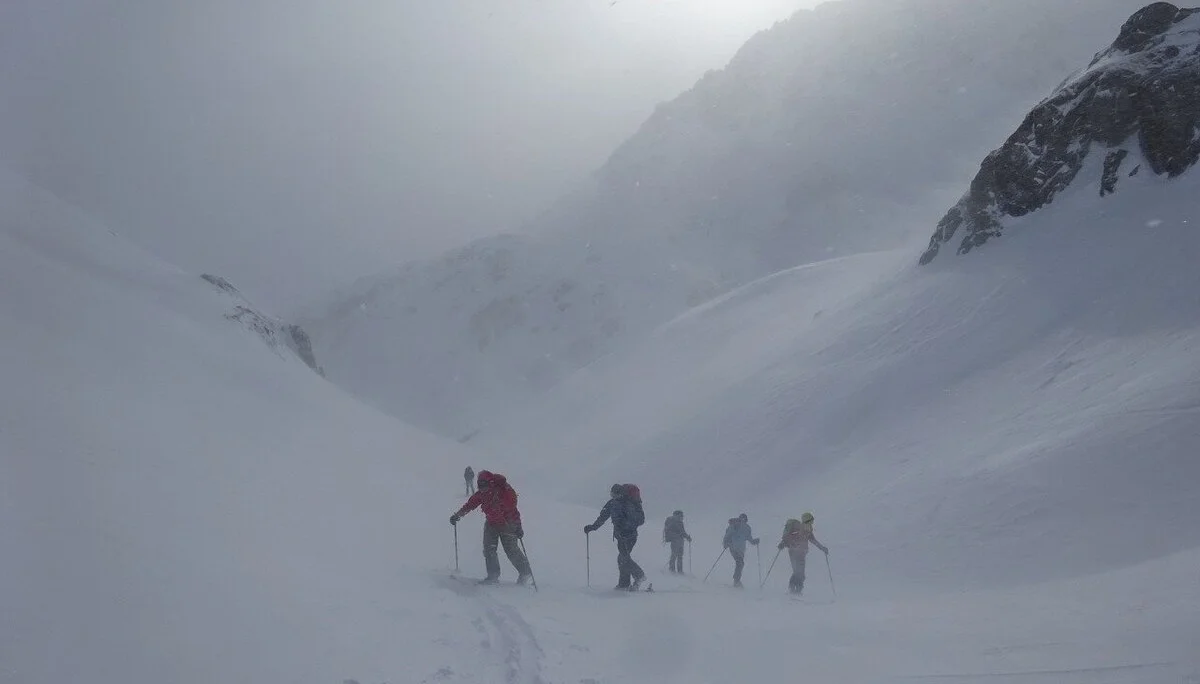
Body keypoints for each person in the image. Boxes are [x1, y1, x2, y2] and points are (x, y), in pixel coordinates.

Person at [450, 470, 532, 585]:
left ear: (490, 483)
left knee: (511, 550)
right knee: (489, 549)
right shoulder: (481, 494)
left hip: (507, 524)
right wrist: (457, 515)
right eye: (480, 486)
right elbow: (471, 504)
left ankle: (525, 572)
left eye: (485, 486)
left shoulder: (504, 493)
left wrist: (518, 526)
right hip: (491, 524)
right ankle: (493, 576)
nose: (483, 489)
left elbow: (512, 511)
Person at [584, 484, 646, 590]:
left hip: (629, 536)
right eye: (611, 494)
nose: (612, 496)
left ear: (620, 493)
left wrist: (625, 527)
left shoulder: (628, 503)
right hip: (621, 536)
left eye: (614, 494)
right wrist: (593, 527)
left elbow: (638, 520)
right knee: (622, 558)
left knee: (623, 557)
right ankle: (624, 584)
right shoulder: (612, 503)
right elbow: (603, 516)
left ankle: (639, 575)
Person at [777, 512, 828, 595]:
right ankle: (794, 590)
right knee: (798, 572)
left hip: (801, 553)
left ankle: (796, 590)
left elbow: (813, 540)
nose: (812, 523)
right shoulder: (798, 528)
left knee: (799, 572)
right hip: (794, 552)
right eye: (811, 521)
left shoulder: (808, 530)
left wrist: (822, 548)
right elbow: (788, 538)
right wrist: (783, 543)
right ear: (807, 520)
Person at [722, 513, 760, 588]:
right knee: (740, 563)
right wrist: (755, 541)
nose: (742, 522)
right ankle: (736, 581)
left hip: (737, 548)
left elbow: (727, 535)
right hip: (735, 547)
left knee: (740, 563)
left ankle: (736, 581)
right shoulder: (739, 526)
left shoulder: (741, 527)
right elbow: (750, 540)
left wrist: (725, 543)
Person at [662, 510, 691, 574]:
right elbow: (682, 532)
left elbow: (681, 532)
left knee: (674, 555)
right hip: (678, 540)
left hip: (675, 540)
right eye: (681, 515)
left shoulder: (673, 521)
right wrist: (687, 537)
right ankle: (677, 570)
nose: (682, 517)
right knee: (678, 555)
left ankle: (672, 569)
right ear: (678, 515)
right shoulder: (677, 522)